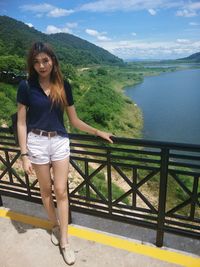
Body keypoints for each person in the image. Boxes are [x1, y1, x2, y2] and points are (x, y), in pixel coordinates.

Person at [17, 41, 113, 265]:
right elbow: (21, 123)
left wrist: (98, 131)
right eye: (37, 62)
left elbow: (74, 120)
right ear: (32, 64)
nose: (41, 65)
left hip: (59, 142)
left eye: (45, 61)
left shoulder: (63, 85)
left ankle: (65, 241)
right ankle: (55, 225)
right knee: (45, 192)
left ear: (53, 61)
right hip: (37, 143)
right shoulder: (26, 86)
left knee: (61, 191)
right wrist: (24, 154)